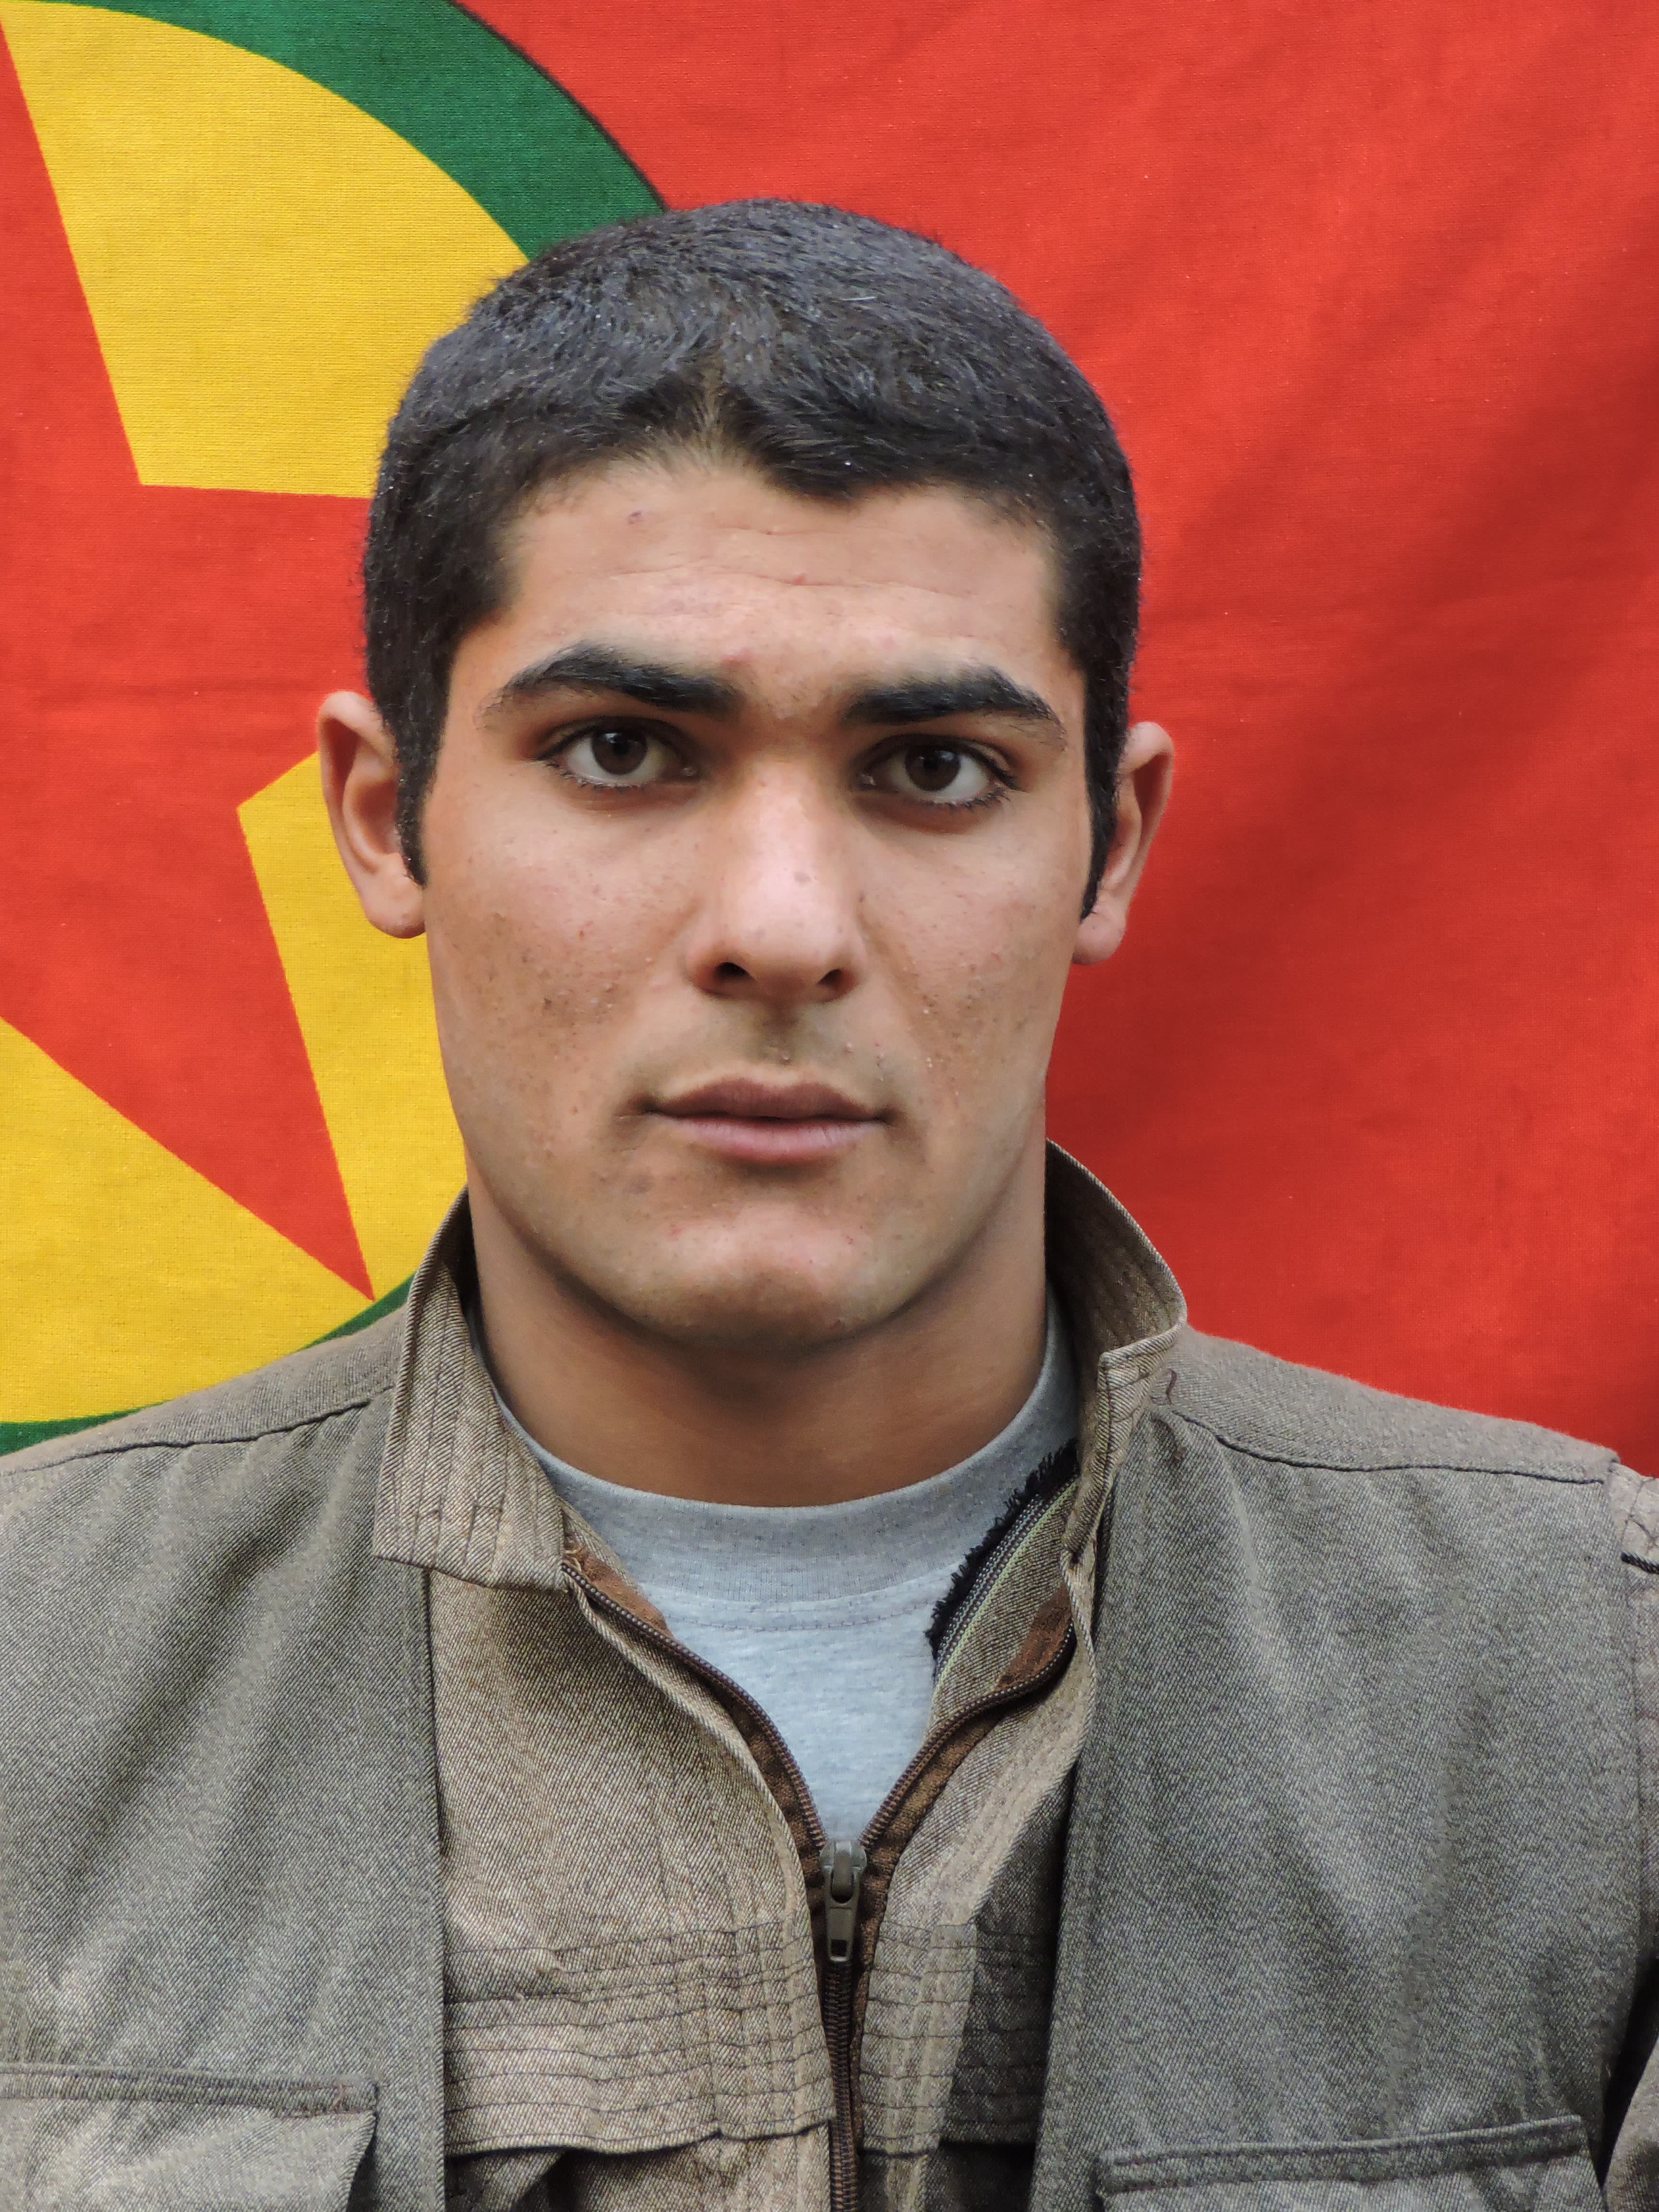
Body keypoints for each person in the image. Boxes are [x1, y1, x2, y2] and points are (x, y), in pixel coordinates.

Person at [1, 199, 1654, 2212]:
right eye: (623, 751)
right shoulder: (33, 1675)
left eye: (933, 770)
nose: (783, 927)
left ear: (1110, 843)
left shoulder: (1595, 1701)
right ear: (386, 815)